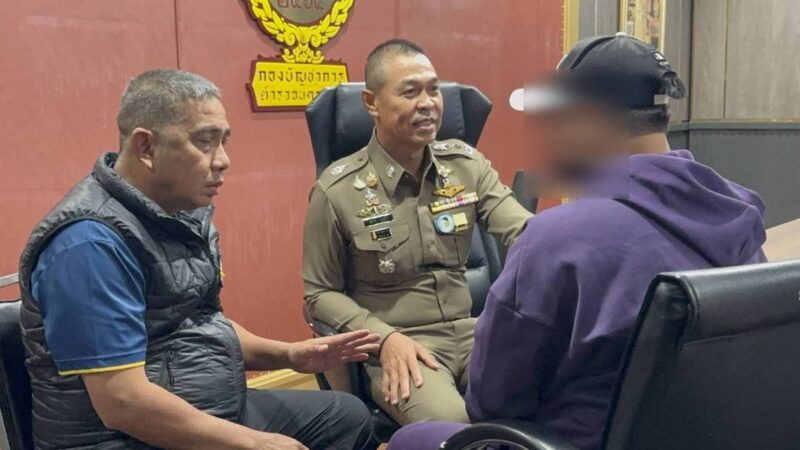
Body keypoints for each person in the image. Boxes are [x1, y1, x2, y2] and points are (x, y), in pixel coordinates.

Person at [388, 33, 767, 450]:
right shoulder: (739, 220)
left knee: (412, 439)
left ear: (586, 118)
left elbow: (493, 401)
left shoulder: (556, 239)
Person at [18, 69, 380, 450]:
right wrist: (254, 442)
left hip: (204, 404)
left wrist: (289, 356)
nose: (223, 160)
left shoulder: (179, 212)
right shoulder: (89, 244)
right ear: (146, 147)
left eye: (223, 141)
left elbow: (201, 322)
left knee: (346, 418)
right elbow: (121, 402)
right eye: (205, 142)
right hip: (117, 438)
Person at [302, 39, 532, 425]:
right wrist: (383, 338)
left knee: (547, 395)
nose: (427, 103)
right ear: (372, 103)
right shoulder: (336, 191)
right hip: (400, 345)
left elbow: (524, 232)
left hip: (476, 335)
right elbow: (319, 294)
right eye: (410, 92)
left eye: (433, 89)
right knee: (452, 427)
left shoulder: (466, 166)